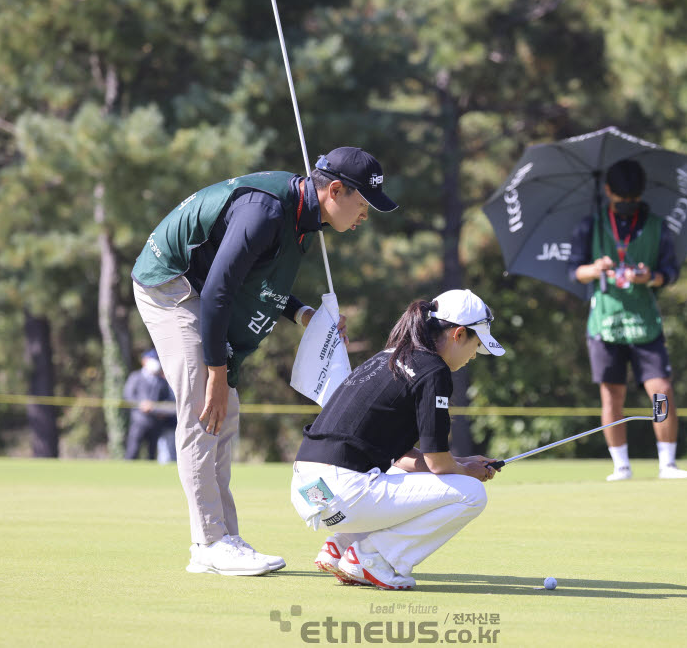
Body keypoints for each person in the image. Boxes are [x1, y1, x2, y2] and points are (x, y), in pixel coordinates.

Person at [131, 147, 399, 576]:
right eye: (363, 204)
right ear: (334, 190)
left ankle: (222, 539)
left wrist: (303, 313)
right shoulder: (267, 212)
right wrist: (216, 372)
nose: (365, 215)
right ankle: (210, 542)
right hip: (171, 284)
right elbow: (219, 289)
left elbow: (259, 279)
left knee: (226, 416)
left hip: (205, 286)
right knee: (204, 410)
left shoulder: (304, 219)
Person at [290, 289, 505, 590]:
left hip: (308, 491)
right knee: (471, 492)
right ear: (458, 334)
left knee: (401, 470)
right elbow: (438, 463)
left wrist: (461, 462)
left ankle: (340, 546)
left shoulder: (388, 356)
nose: (473, 356)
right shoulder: (434, 371)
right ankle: (374, 559)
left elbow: (403, 455)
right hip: (343, 493)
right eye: (476, 344)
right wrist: (468, 470)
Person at [568, 159, 687, 481]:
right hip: (605, 324)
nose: (627, 204)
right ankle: (621, 466)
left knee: (661, 391)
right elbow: (575, 271)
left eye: (632, 198)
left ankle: (668, 464)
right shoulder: (590, 225)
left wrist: (649, 277)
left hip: (644, 322)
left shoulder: (656, 226)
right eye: (621, 198)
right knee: (612, 396)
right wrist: (595, 269)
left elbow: (670, 273)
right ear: (608, 191)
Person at [123, 349, 177, 461]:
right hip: (139, 421)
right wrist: (140, 405)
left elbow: (167, 399)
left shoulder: (161, 381)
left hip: (156, 422)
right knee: (133, 451)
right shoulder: (135, 377)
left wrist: (160, 409)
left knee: (152, 454)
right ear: (144, 361)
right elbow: (128, 395)